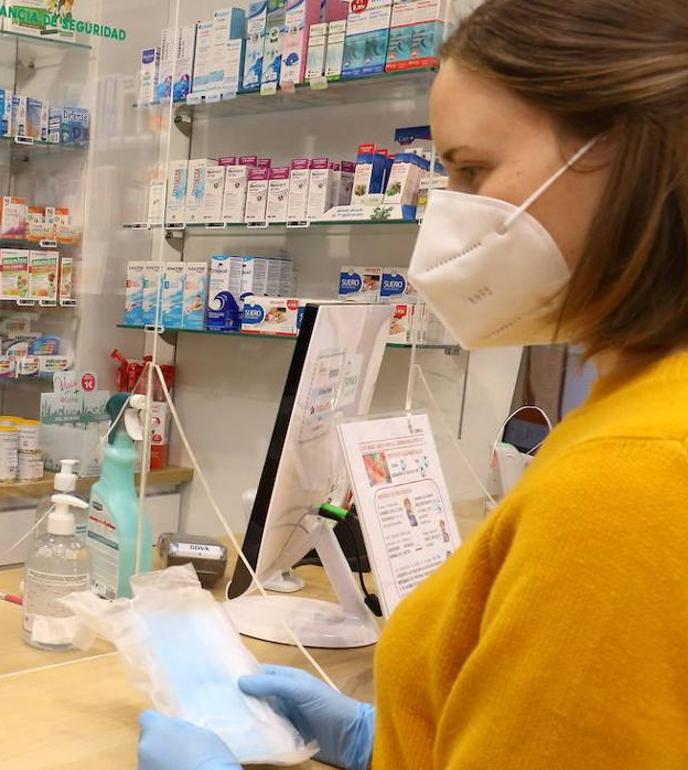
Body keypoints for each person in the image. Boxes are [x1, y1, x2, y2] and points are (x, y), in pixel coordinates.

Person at [138, 0, 688, 767]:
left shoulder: (633, 474)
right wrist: (395, 742)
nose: (444, 218)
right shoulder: (639, 404)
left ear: (632, 154)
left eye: (473, 170)